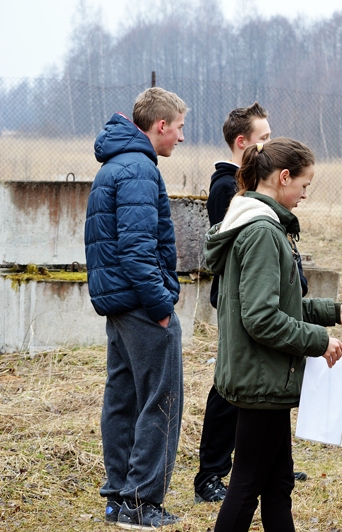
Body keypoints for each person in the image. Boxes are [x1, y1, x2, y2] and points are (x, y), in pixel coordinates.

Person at [204, 138, 342, 532]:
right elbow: (261, 318)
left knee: (277, 484)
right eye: (304, 185)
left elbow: (280, 304)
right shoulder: (262, 232)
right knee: (245, 486)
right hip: (262, 377)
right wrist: (318, 340)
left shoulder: (253, 223)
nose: (305, 195)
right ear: (283, 178)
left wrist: (332, 312)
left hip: (266, 377)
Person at [195, 102, 309, 504]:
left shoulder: (255, 203)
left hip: (260, 315)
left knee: (273, 482)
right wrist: (317, 338)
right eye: (263, 139)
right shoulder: (234, 193)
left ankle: (265, 461)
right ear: (242, 143)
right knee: (230, 397)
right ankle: (212, 471)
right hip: (247, 319)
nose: (268, 144)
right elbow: (258, 305)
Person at [85, 87, 187, 527]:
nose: (181, 137)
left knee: (122, 398)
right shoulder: (140, 170)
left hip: (119, 305)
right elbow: (137, 249)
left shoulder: (116, 164)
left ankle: (118, 498)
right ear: (160, 126)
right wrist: (162, 305)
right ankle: (142, 503)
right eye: (179, 128)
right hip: (143, 306)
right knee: (160, 400)